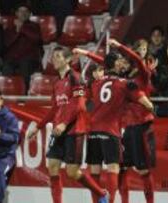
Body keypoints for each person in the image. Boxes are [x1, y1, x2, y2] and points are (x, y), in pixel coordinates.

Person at [28, 46, 109, 203]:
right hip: (59, 130)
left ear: (67, 60)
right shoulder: (57, 83)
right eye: (53, 56)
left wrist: (64, 124)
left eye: (58, 56)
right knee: (52, 167)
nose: (54, 59)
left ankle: (100, 193)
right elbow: (54, 109)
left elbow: (79, 104)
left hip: (74, 129)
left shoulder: (76, 78)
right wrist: (38, 127)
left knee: (72, 172)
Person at [76, 41, 154, 203]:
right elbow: (105, 63)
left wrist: (87, 53)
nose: (123, 63)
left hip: (132, 128)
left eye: (124, 61)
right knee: (118, 169)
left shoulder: (140, 74)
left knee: (141, 170)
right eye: (120, 61)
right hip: (117, 129)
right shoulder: (125, 83)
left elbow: (111, 63)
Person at [3, 4, 43, 90]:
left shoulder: (34, 26)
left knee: (25, 67)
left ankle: (24, 94)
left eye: (26, 11)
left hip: (29, 59)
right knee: (6, 68)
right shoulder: (10, 27)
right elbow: (7, 43)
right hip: (12, 59)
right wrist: (17, 31)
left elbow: (36, 39)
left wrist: (22, 28)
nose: (23, 13)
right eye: (21, 11)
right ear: (16, 13)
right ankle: (5, 93)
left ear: (29, 14)